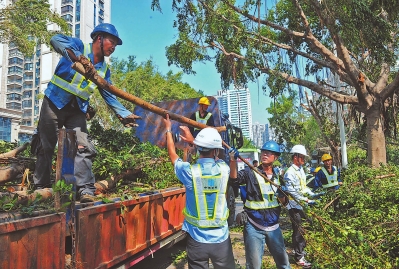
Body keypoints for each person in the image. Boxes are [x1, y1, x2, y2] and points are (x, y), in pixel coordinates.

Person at [33, 23, 140, 203]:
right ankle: (41, 187)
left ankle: (85, 190)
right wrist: (79, 58)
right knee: (46, 145)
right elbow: (55, 39)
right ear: (99, 38)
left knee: (83, 147)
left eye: (115, 44)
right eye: (111, 42)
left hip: (77, 110)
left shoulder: (104, 70)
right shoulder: (79, 46)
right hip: (54, 102)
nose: (113, 47)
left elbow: (108, 94)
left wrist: (123, 113)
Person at [164, 114, 235, 269]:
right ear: (216, 151)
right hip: (221, 240)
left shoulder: (189, 172)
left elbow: (172, 154)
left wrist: (168, 130)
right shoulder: (224, 170)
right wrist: (194, 142)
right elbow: (221, 158)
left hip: (196, 240)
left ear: (197, 148)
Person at [230, 141, 291, 269]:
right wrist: (232, 160)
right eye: (263, 152)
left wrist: (282, 195)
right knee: (254, 265)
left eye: (269, 153)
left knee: (284, 264)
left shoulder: (279, 178)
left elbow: (285, 203)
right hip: (254, 226)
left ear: (276, 157)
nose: (265, 154)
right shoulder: (250, 172)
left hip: (274, 227)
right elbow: (234, 180)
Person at [283, 145, 315, 268]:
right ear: (296, 157)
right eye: (302, 157)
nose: (304, 159)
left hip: (302, 205)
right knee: (298, 231)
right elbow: (292, 192)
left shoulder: (301, 170)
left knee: (305, 228)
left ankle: (300, 251)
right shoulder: (289, 173)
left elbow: (303, 187)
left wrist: (312, 194)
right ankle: (299, 257)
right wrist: (306, 199)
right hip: (294, 206)